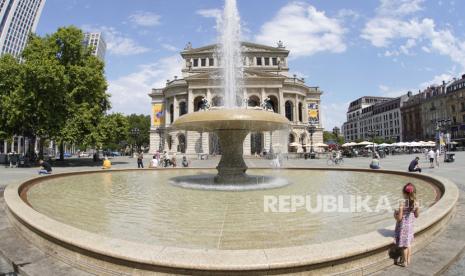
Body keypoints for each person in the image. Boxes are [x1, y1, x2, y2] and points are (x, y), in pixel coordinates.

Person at [394, 183, 420, 267]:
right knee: (408, 244)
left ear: (404, 193)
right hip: (410, 227)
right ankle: (408, 259)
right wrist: (417, 208)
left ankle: (404, 262)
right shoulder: (416, 203)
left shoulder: (403, 204)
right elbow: (416, 215)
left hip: (403, 228)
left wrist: (395, 214)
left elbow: (399, 219)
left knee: (404, 246)